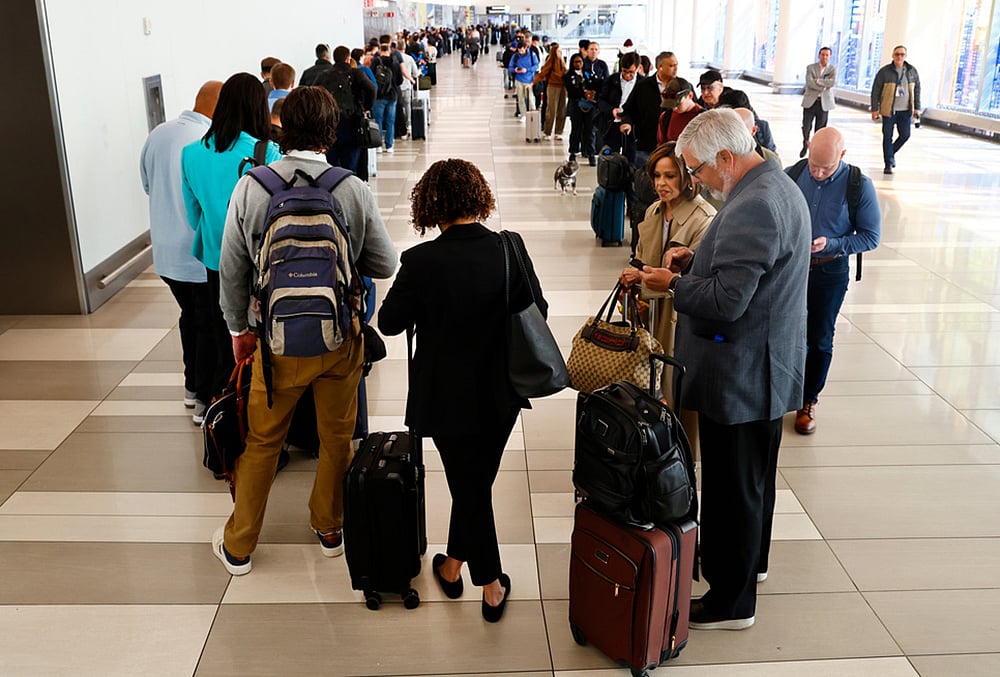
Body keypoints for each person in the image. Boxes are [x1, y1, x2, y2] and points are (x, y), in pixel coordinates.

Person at [213, 85, 398, 576]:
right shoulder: (350, 186)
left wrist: (239, 329)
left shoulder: (252, 186)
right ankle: (329, 526)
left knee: (263, 441)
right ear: (330, 132)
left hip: (275, 346)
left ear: (281, 129)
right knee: (337, 438)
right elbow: (385, 261)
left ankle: (240, 545)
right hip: (340, 339)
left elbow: (231, 269)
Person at [640, 108, 810, 630]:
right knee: (754, 481)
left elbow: (728, 301)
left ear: (727, 158)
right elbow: (748, 276)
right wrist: (697, 261)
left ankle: (730, 604)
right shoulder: (776, 185)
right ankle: (749, 567)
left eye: (697, 170)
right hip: (766, 366)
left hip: (739, 374)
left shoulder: (753, 205)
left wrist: (672, 284)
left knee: (732, 488)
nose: (694, 180)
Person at [378, 158, 549, 623]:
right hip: (502, 391)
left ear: (430, 204)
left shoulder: (420, 262)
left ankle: (490, 584)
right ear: (479, 198)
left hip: (445, 394)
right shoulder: (509, 248)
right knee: (475, 484)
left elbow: (389, 323)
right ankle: (452, 567)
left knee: (470, 487)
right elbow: (540, 310)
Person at [181, 73, 282, 421]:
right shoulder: (266, 151)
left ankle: (215, 404)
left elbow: (193, 214)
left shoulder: (190, 153)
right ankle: (252, 408)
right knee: (253, 335)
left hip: (213, 257)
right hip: (256, 262)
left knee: (215, 327)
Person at [619, 142, 715, 451]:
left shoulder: (704, 218)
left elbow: (704, 280)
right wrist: (633, 278)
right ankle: (652, 455)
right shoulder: (653, 211)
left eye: (670, 176)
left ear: (687, 177)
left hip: (682, 321)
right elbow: (641, 257)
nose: (661, 184)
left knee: (679, 394)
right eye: (657, 176)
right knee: (650, 390)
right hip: (651, 319)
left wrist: (649, 278)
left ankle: (680, 461)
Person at [788, 127, 880, 434]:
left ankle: (808, 400)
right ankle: (782, 392)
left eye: (826, 167)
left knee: (819, 337)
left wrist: (833, 244)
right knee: (785, 330)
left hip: (830, 271)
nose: (817, 172)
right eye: (814, 164)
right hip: (793, 268)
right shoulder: (794, 173)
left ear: (842, 156)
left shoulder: (858, 186)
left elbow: (870, 237)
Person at [140, 80, 222, 421]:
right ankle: (204, 398)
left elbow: (146, 183)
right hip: (195, 251)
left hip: (165, 252)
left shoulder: (159, 133)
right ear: (216, 107)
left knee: (190, 316)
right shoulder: (204, 143)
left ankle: (192, 387)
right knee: (207, 322)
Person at [317, 45, 376, 175]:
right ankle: (349, 186)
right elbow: (371, 89)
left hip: (331, 125)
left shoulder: (324, 76)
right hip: (353, 124)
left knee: (331, 164)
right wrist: (367, 107)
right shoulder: (356, 74)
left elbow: (313, 93)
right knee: (351, 164)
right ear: (348, 59)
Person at [620, 51, 680, 169]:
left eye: (676, 65)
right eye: (672, 65)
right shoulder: (643, 86)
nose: (676, 69)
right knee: (644, 182)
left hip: (674, 147)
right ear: (660, 67)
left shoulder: (682, 86)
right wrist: (626, 122)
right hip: (646, 145)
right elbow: (628, 109)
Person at [871, 45, 920, 175]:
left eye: (902, 54)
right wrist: (875, 109)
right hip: (889, 110)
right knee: (887, 136)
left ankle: (890, 154)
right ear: (893, 56)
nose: (899, 57)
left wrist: (917, 108)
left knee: (905, 135)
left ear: (905, 56)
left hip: (905, 110)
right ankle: (888, 164)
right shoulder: (885, 72)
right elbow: (875, 90)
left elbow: (917, 90)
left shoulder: (911, 71)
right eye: (897, 54)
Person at [598, 51, 639, 161]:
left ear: (638, 69)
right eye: (624, 71)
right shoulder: (611, 80)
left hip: (632, 127)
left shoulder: (642, 83)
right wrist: (611, 110)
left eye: (631, 72)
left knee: (631, 159)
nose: (627, 75)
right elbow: (601, 100)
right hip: (612, 125)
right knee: (609, 158)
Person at [800, 47, 836, 158]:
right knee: (806, 125)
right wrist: (824, 85)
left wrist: (818, 81)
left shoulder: (832, 69)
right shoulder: (811, 68)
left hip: (824, 103)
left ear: (830, 57)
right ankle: (805, 143)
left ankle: (816, 148)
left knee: (820, 128)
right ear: (819, 55)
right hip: (811, 101)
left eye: (827, 55)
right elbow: (809, 83)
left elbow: (832, 83)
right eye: (823, 55)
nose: (824, 57)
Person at [564, 53, 595, 162]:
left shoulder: (588, 73)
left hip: (589, 106)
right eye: (576, 62)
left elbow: (595, 84)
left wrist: (591, 93)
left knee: (589, 129)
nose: (578, 64)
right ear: (572, 63)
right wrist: (583, 93)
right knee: (576, 129)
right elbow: (571, 91)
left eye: (580, 61)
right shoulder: (568, 75)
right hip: (576, 105)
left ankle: (590, 153)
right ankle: (573, 152)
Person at [533, 42, 567, 139]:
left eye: (561, 51)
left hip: (562, 88)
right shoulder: (551, 61)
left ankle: (558, 132)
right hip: (553, 87)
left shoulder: (562, 62)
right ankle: (547, 131)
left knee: (562, 110)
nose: (560, 53)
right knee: (551, 110)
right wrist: (533, 82)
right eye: (558, 51)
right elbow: (542, 73)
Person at [370, 42, 399, 154]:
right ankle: (389, 145)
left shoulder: (376, 61)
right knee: (390, 121)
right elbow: (400, 80)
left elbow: (372, 78)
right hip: (392, 95)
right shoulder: (395, 61)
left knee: (378, 120)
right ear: (389, 50)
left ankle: (378, 145)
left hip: (379, 95)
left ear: (380, 50)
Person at [656, 77, 701, 144]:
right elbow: (661, 145)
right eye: (670, 104)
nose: (674, 108)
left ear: (690, 95)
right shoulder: (665, 117)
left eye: (677, 104)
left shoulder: (704, 118)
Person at [509, 40, 540, 121]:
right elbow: (510, 67)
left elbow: (536, 65)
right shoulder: (515, 56)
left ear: (526, 48)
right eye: (519, 50)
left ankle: (533, 113)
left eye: (522, 50)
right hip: (519, 80)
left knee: (530, 98)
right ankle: (523, 114)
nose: (521, 52)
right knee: (521, 98)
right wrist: (515, 70)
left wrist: (527, 70)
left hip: (529, 80)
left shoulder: (532, 55)